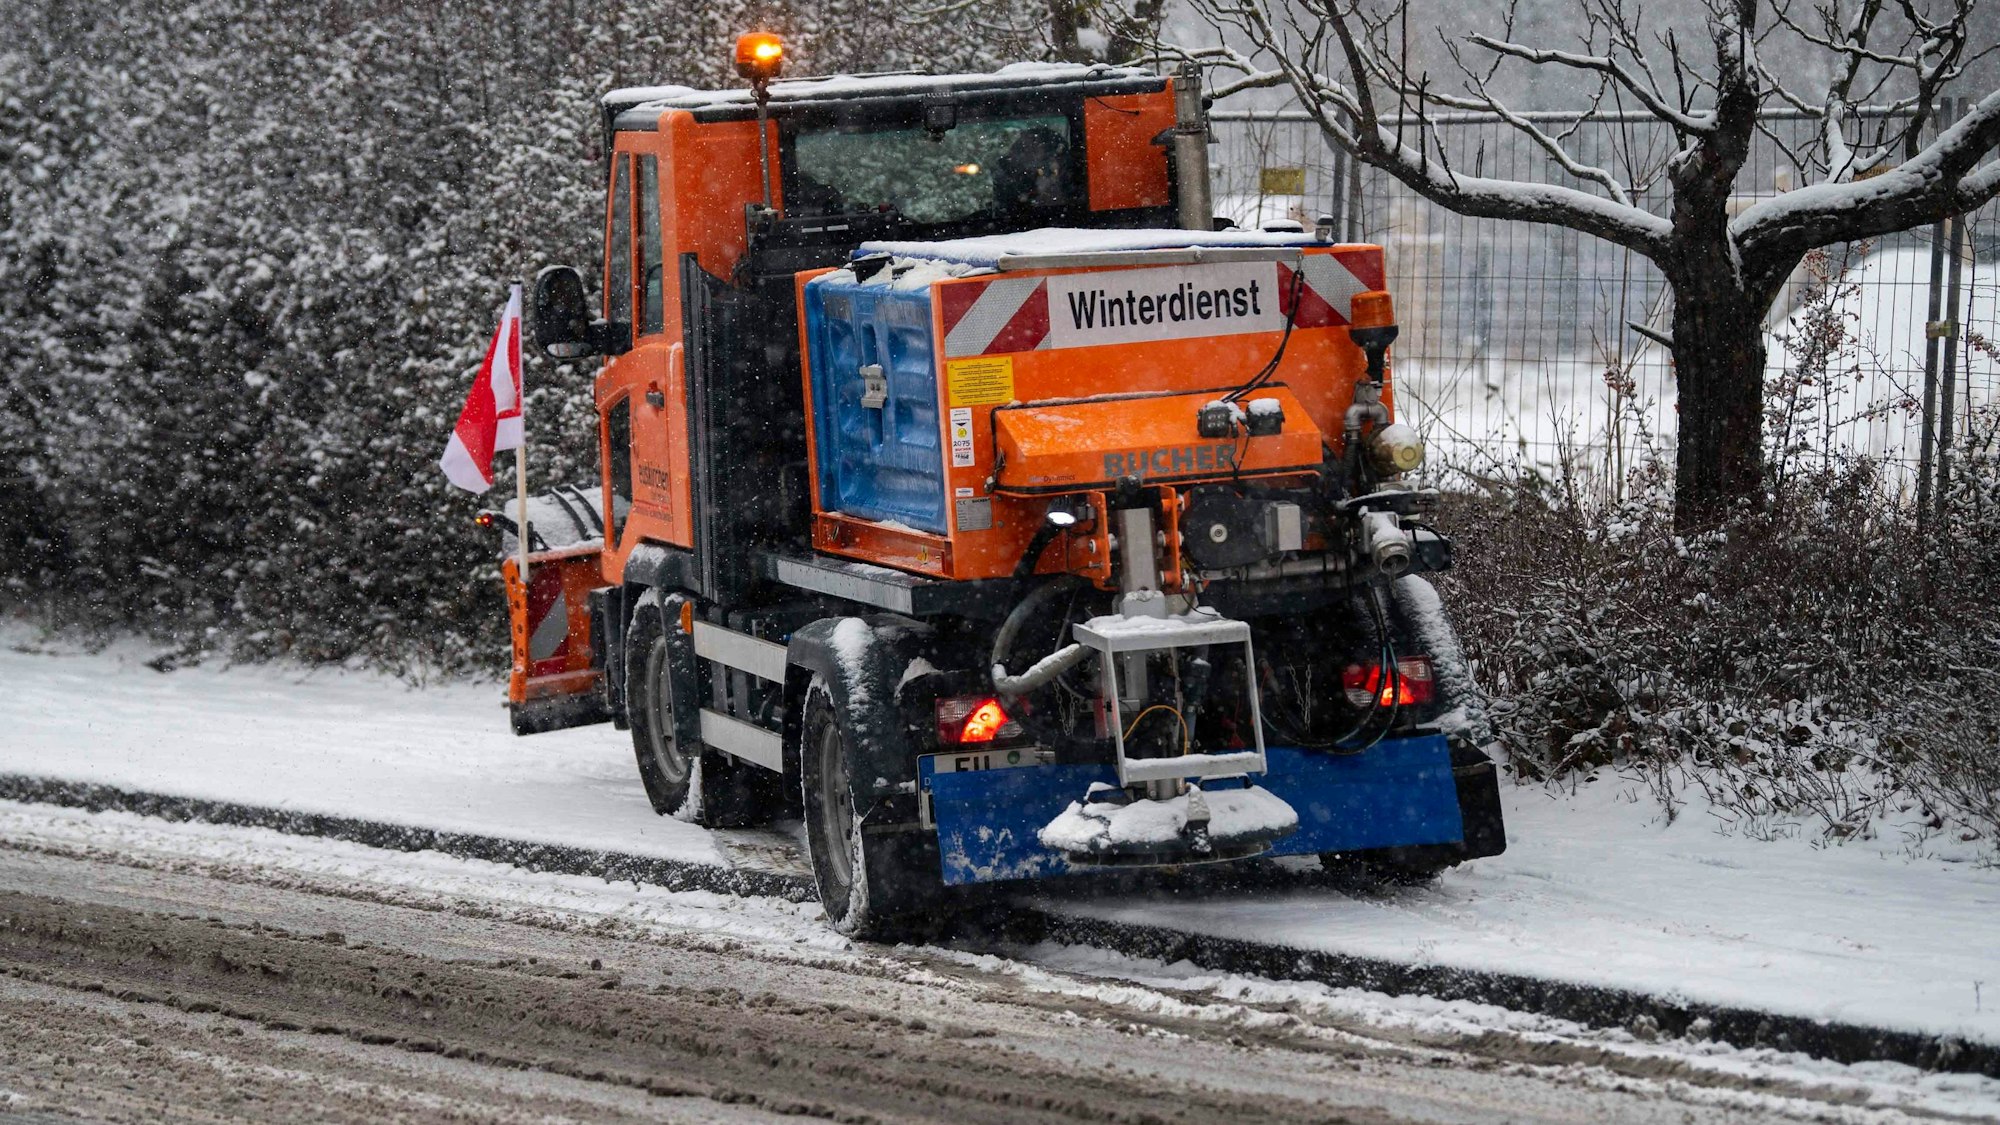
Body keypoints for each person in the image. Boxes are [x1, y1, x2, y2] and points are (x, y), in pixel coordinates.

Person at [990, 126, 1069, 218]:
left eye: (1033, 149)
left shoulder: (1066, 179)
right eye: (1023, 148)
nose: (1025, 154)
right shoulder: (1007, 175)